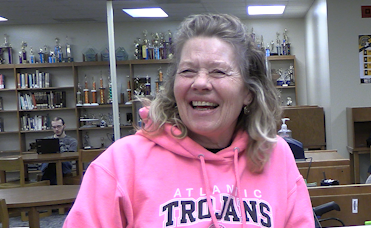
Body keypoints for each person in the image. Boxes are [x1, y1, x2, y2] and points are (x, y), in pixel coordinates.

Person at [63, 14, 314, 227]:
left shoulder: (275, 154)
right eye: (187, 71)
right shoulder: (122, 162)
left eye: (218, 71)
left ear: (248, 92)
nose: (200, 83)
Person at [41, 117, 77, 185]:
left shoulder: (72, 141)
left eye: (59, 126)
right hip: (47, 165)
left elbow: (71, 157)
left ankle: (45, 186)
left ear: (64, 126)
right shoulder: (46, 141)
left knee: (54, 165)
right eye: (54, 127)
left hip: (64, 166)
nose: (56, 129)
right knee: (52, 164)